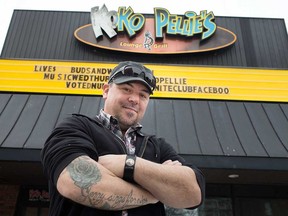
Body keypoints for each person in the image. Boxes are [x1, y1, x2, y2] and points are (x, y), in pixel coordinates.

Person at [41, 61, 205, 216]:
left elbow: (193, 194)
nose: (134, 99)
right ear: (106, 90)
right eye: (127, 89)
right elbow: (75, 183)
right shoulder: (76, 127)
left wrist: (129, 164)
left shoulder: (158, 147)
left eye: (143, 95)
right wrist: (156, 193)